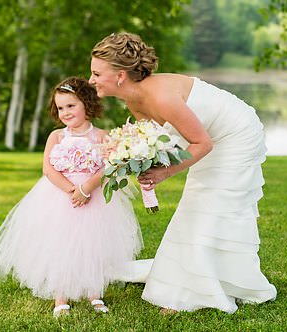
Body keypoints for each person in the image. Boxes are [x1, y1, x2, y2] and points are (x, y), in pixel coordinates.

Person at [89, 32, 276, 314]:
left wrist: (164, 174)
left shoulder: (162, 97)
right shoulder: (133, 101)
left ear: (120, 76)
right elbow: (160, 141)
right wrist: (139, 161)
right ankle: (203, 278)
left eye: (96, 73)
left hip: (236, 134)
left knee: (214, 204)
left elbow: (202, 143)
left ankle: (197, 291)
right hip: (207, 138)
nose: (90, 80)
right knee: (198, 203)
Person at [0, 77, 143, 318]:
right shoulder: (57, 137)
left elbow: (110, 167)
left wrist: (87, 188)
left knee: (94, 243)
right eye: (61, 108)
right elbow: (49, 169)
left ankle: (94, 292)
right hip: (61, 196)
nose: (65, 112)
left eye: (71, 106)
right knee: (59, 243)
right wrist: (72, 190)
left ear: (87, 104)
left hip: (95, 197)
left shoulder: (102, 136)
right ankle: (60, 296)